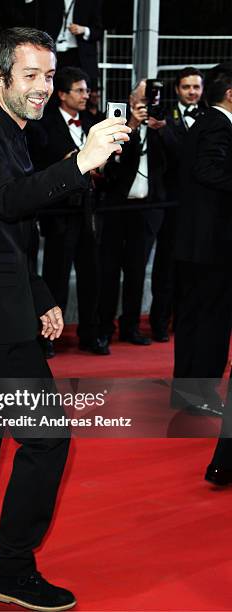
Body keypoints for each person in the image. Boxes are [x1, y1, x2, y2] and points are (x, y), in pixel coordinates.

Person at [0, 27, 130, 611]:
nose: (45, 88)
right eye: (32, 76)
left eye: (49, 75)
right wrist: (81, 162)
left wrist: (39, 292)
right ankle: (9, 567)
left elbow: (6, 230)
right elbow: (11, 200)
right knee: (47, 440)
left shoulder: (10, 129)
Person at [32, 66, 106, 358]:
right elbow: (41, 166)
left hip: (89, 210)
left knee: (92, 275)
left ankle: (91, 334)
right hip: (59, 212)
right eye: (79, 90)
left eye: (87, 90)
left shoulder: (93, 122)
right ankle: (48, 337)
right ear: (61, 94)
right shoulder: (44, 125)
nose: (86, 96)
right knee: (56, 276)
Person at [172, 62, 232, 418]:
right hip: (212, 246)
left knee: (196, 318)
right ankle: (201, 394)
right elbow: (206, 170)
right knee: (211, 319)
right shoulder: (218, 125)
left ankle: (189, 393)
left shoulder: (206, 123)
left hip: (200, 243)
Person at [97, 79, 167, 351]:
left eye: (155, 93)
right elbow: (112, 167)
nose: (151, 97)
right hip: (116, 209)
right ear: (131, 96)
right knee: (109, 271)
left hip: (147, 211)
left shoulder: (163, 123)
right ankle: (104, 328)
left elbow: (175, 158)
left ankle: (131, 326)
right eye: (145, 92)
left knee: (137, 272)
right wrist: (134, 127)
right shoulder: (118, 121)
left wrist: (159, 130)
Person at [149, 67, 205, 342]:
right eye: (187, 87)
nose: (192, 92)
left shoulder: (210, 116)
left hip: (202, 209)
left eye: (196, 87)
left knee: (194, 268)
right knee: (165, 267)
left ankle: (186, 321)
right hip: (171, 204)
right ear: (177, 90)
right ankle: (160, 322)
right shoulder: (164, 117)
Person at [23, 0, 103, 79]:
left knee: (78, 85)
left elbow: (98, 32)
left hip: (79, 55)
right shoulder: (49, 2)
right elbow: (34, 20)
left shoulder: (91, 2)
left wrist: (84, 30)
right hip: (54, 52)